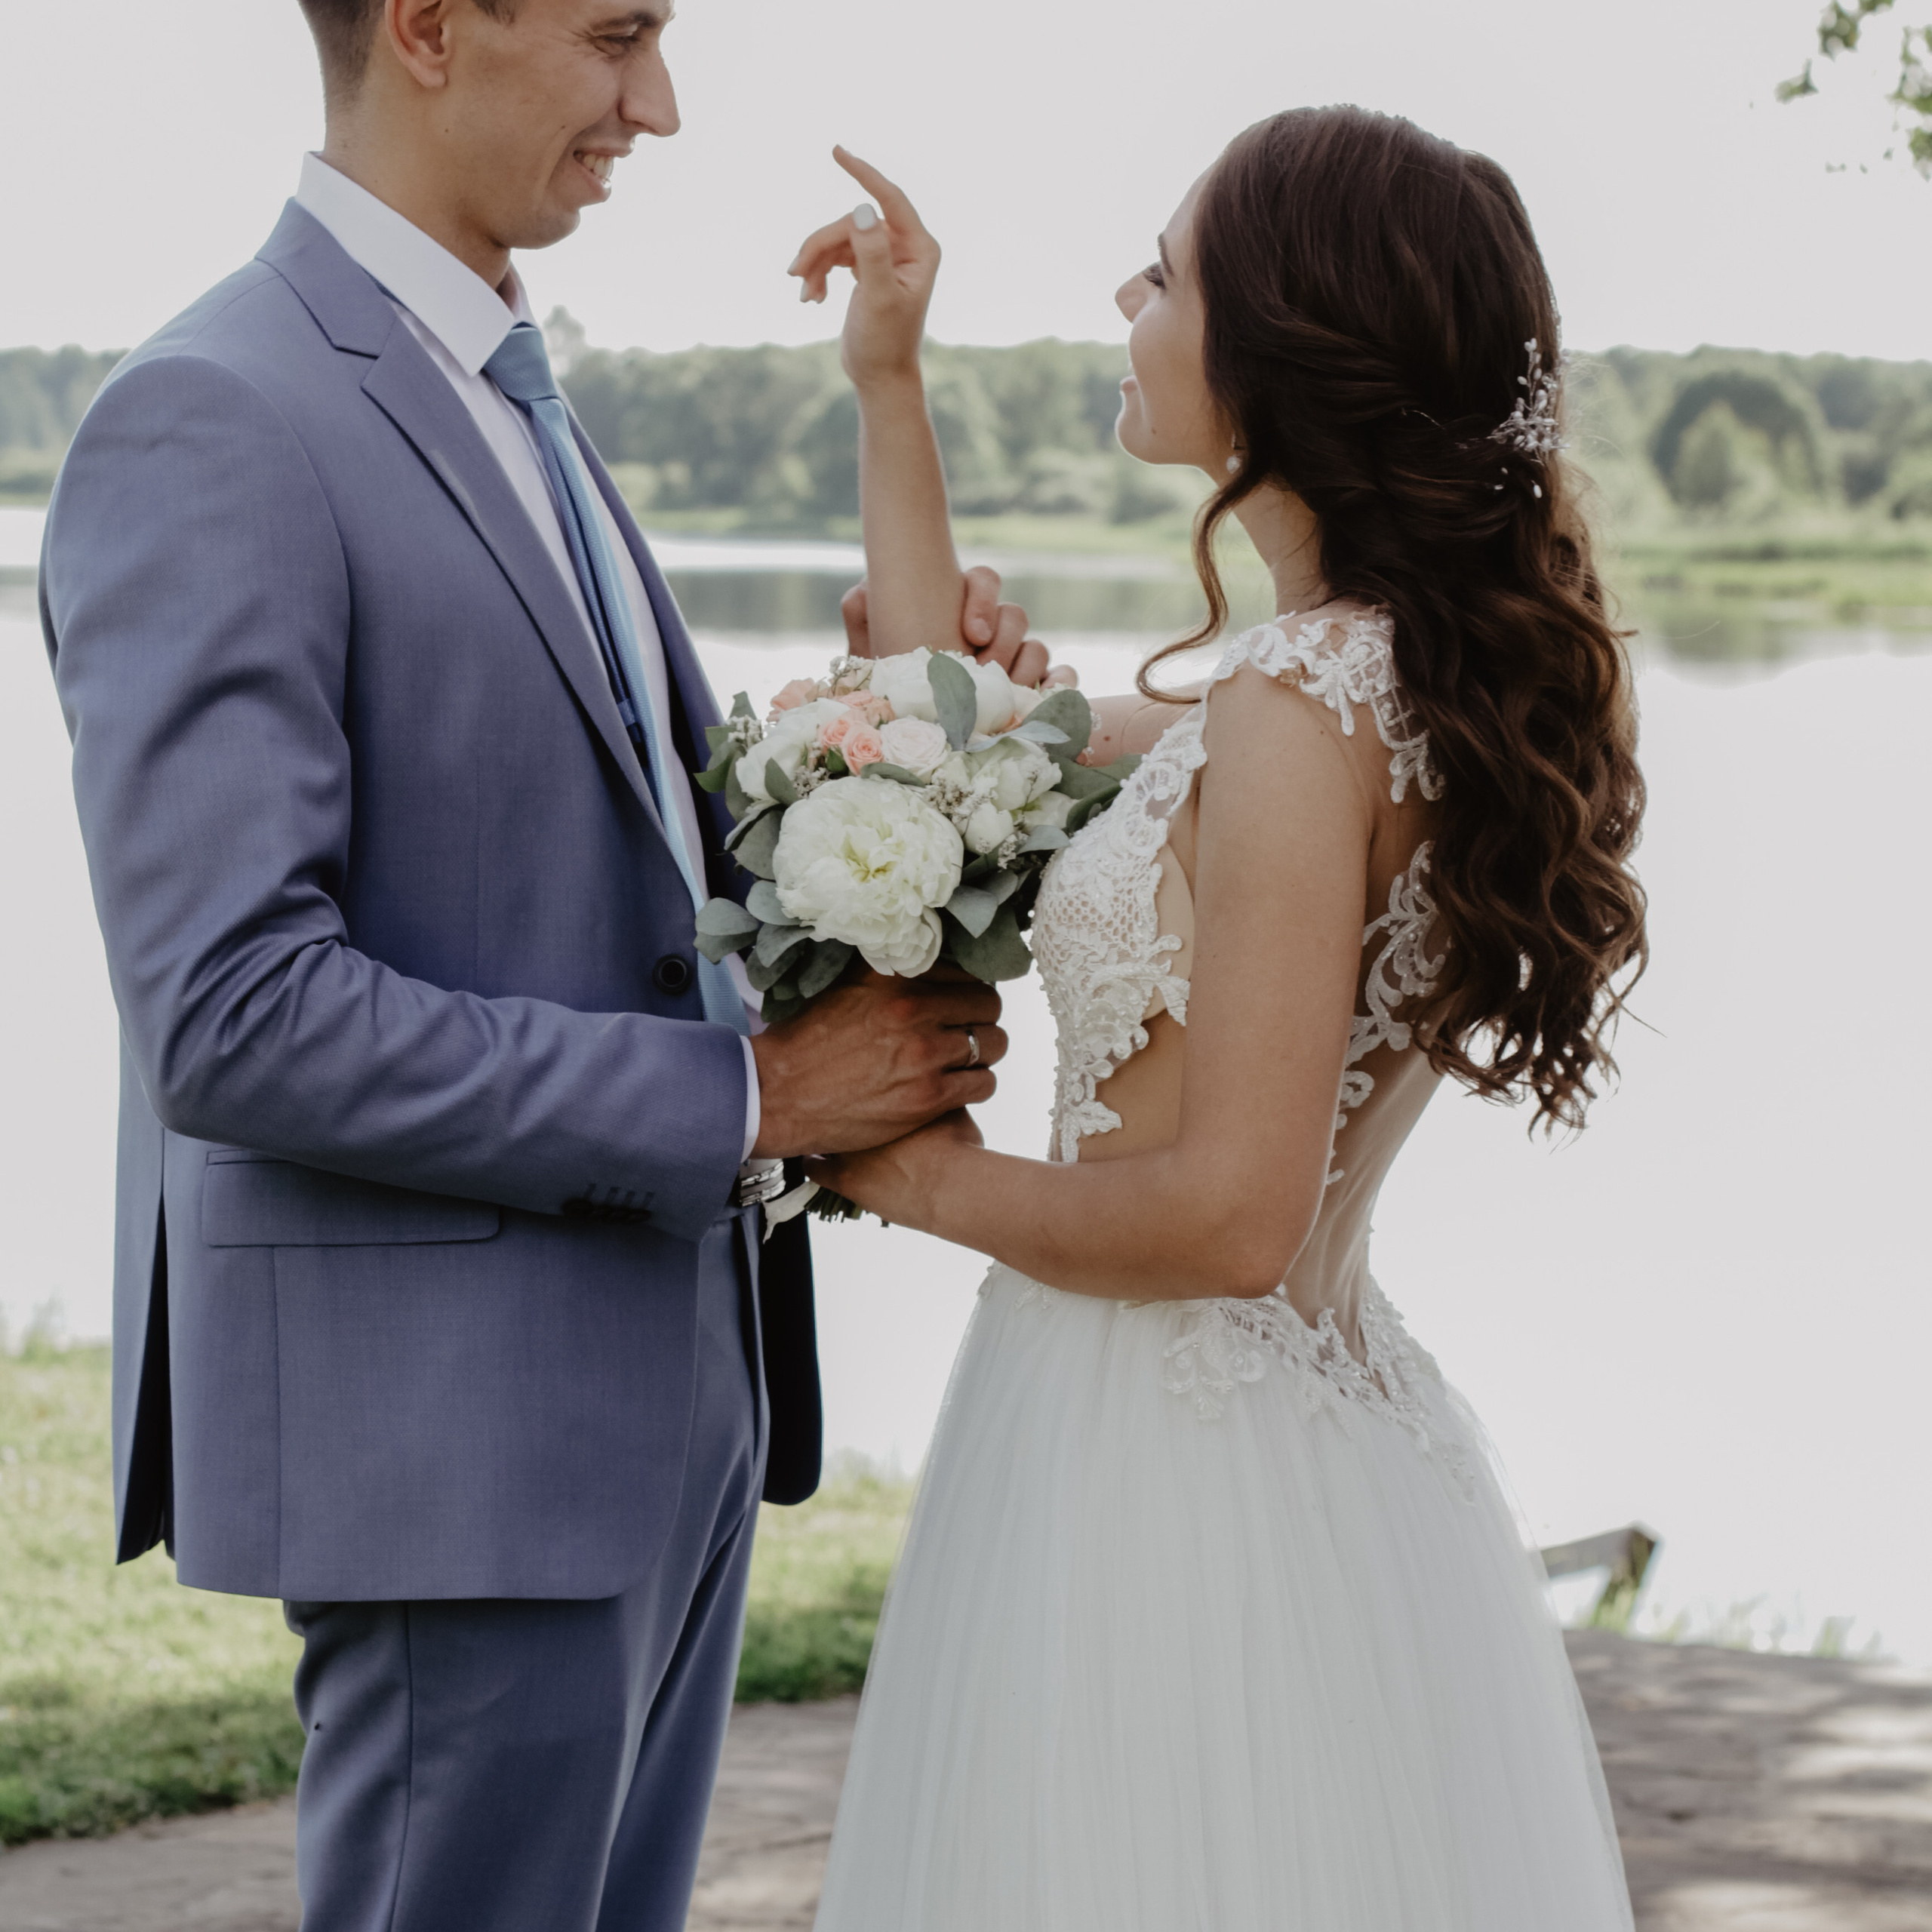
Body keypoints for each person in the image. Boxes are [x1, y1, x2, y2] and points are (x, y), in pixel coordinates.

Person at [38, 4, 1044, 1927]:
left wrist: (880, 743)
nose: (653, 107)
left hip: (666, 1396)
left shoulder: (506, 386)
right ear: (423, 25)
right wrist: (753, 1096)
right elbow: (232, 1012)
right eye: (614, 37)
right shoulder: (215, 415)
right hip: (452, 1437)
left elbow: (593, 848)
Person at [791, 114, 1647, 1929]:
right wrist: (889, 385)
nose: (1126, 294)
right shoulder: (1353, 678)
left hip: (1169, 1474)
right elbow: (937, 743)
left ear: (1279, 345)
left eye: (1163, 269)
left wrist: (903, 1165)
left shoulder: (1290, 711)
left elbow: (1228, 1218)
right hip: (1304, 1444)